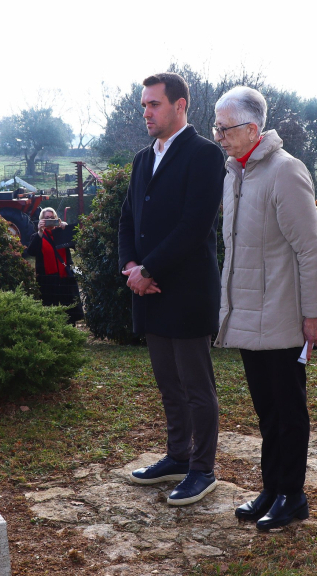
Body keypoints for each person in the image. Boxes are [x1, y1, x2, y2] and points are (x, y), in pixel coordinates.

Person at [213, 86, 317, 532]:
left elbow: (310, 250)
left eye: (224, 127)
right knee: (266, 410)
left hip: (282, 316)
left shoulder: (285, 171)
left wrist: (313, 314)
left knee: (288, 409)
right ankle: (271, 487)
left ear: (252, 129)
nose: (218, 135)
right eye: (216, 127)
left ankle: (292, 496)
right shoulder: (235, 173)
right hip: (247, 315)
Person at [118, 72, 225, 506]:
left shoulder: (204, 155)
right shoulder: (144, 158)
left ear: (179, 106)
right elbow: (128, 218)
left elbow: (195, 226)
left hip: (186, 290)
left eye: (154, 104)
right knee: (168, 383)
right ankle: (178, 457)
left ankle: (203, 469)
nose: (146, 112)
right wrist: (129, 266)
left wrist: (149, 268)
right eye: (144, 105)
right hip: (149, 290)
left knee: (197, 387)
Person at [24, 207, 84, 323]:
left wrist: (67, 230)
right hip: (47, 279)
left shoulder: (61, 233)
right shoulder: (37, 236)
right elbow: (31, 252)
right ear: (41, 220)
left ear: (57, 219)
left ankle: (70, 331)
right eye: (46, 218)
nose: (49, 220)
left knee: (70, 310)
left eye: (52, 218)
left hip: (65, 277)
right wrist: (40, 232)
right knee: (50, 309)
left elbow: (78, 245)